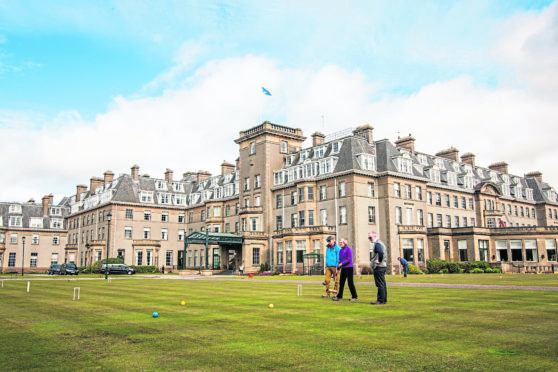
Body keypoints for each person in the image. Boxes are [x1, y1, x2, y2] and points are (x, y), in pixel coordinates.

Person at [369, 231, 387, 305]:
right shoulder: (380, 243)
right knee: (382, 283)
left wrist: (378, 260)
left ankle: (380, 300)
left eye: (370, 237)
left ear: (375, 236)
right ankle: (383, 299)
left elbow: (380, 252)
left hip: (379, 267)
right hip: (383, 266)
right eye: (368, 238)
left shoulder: (377, 244)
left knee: (379, 284)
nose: (369, 239)